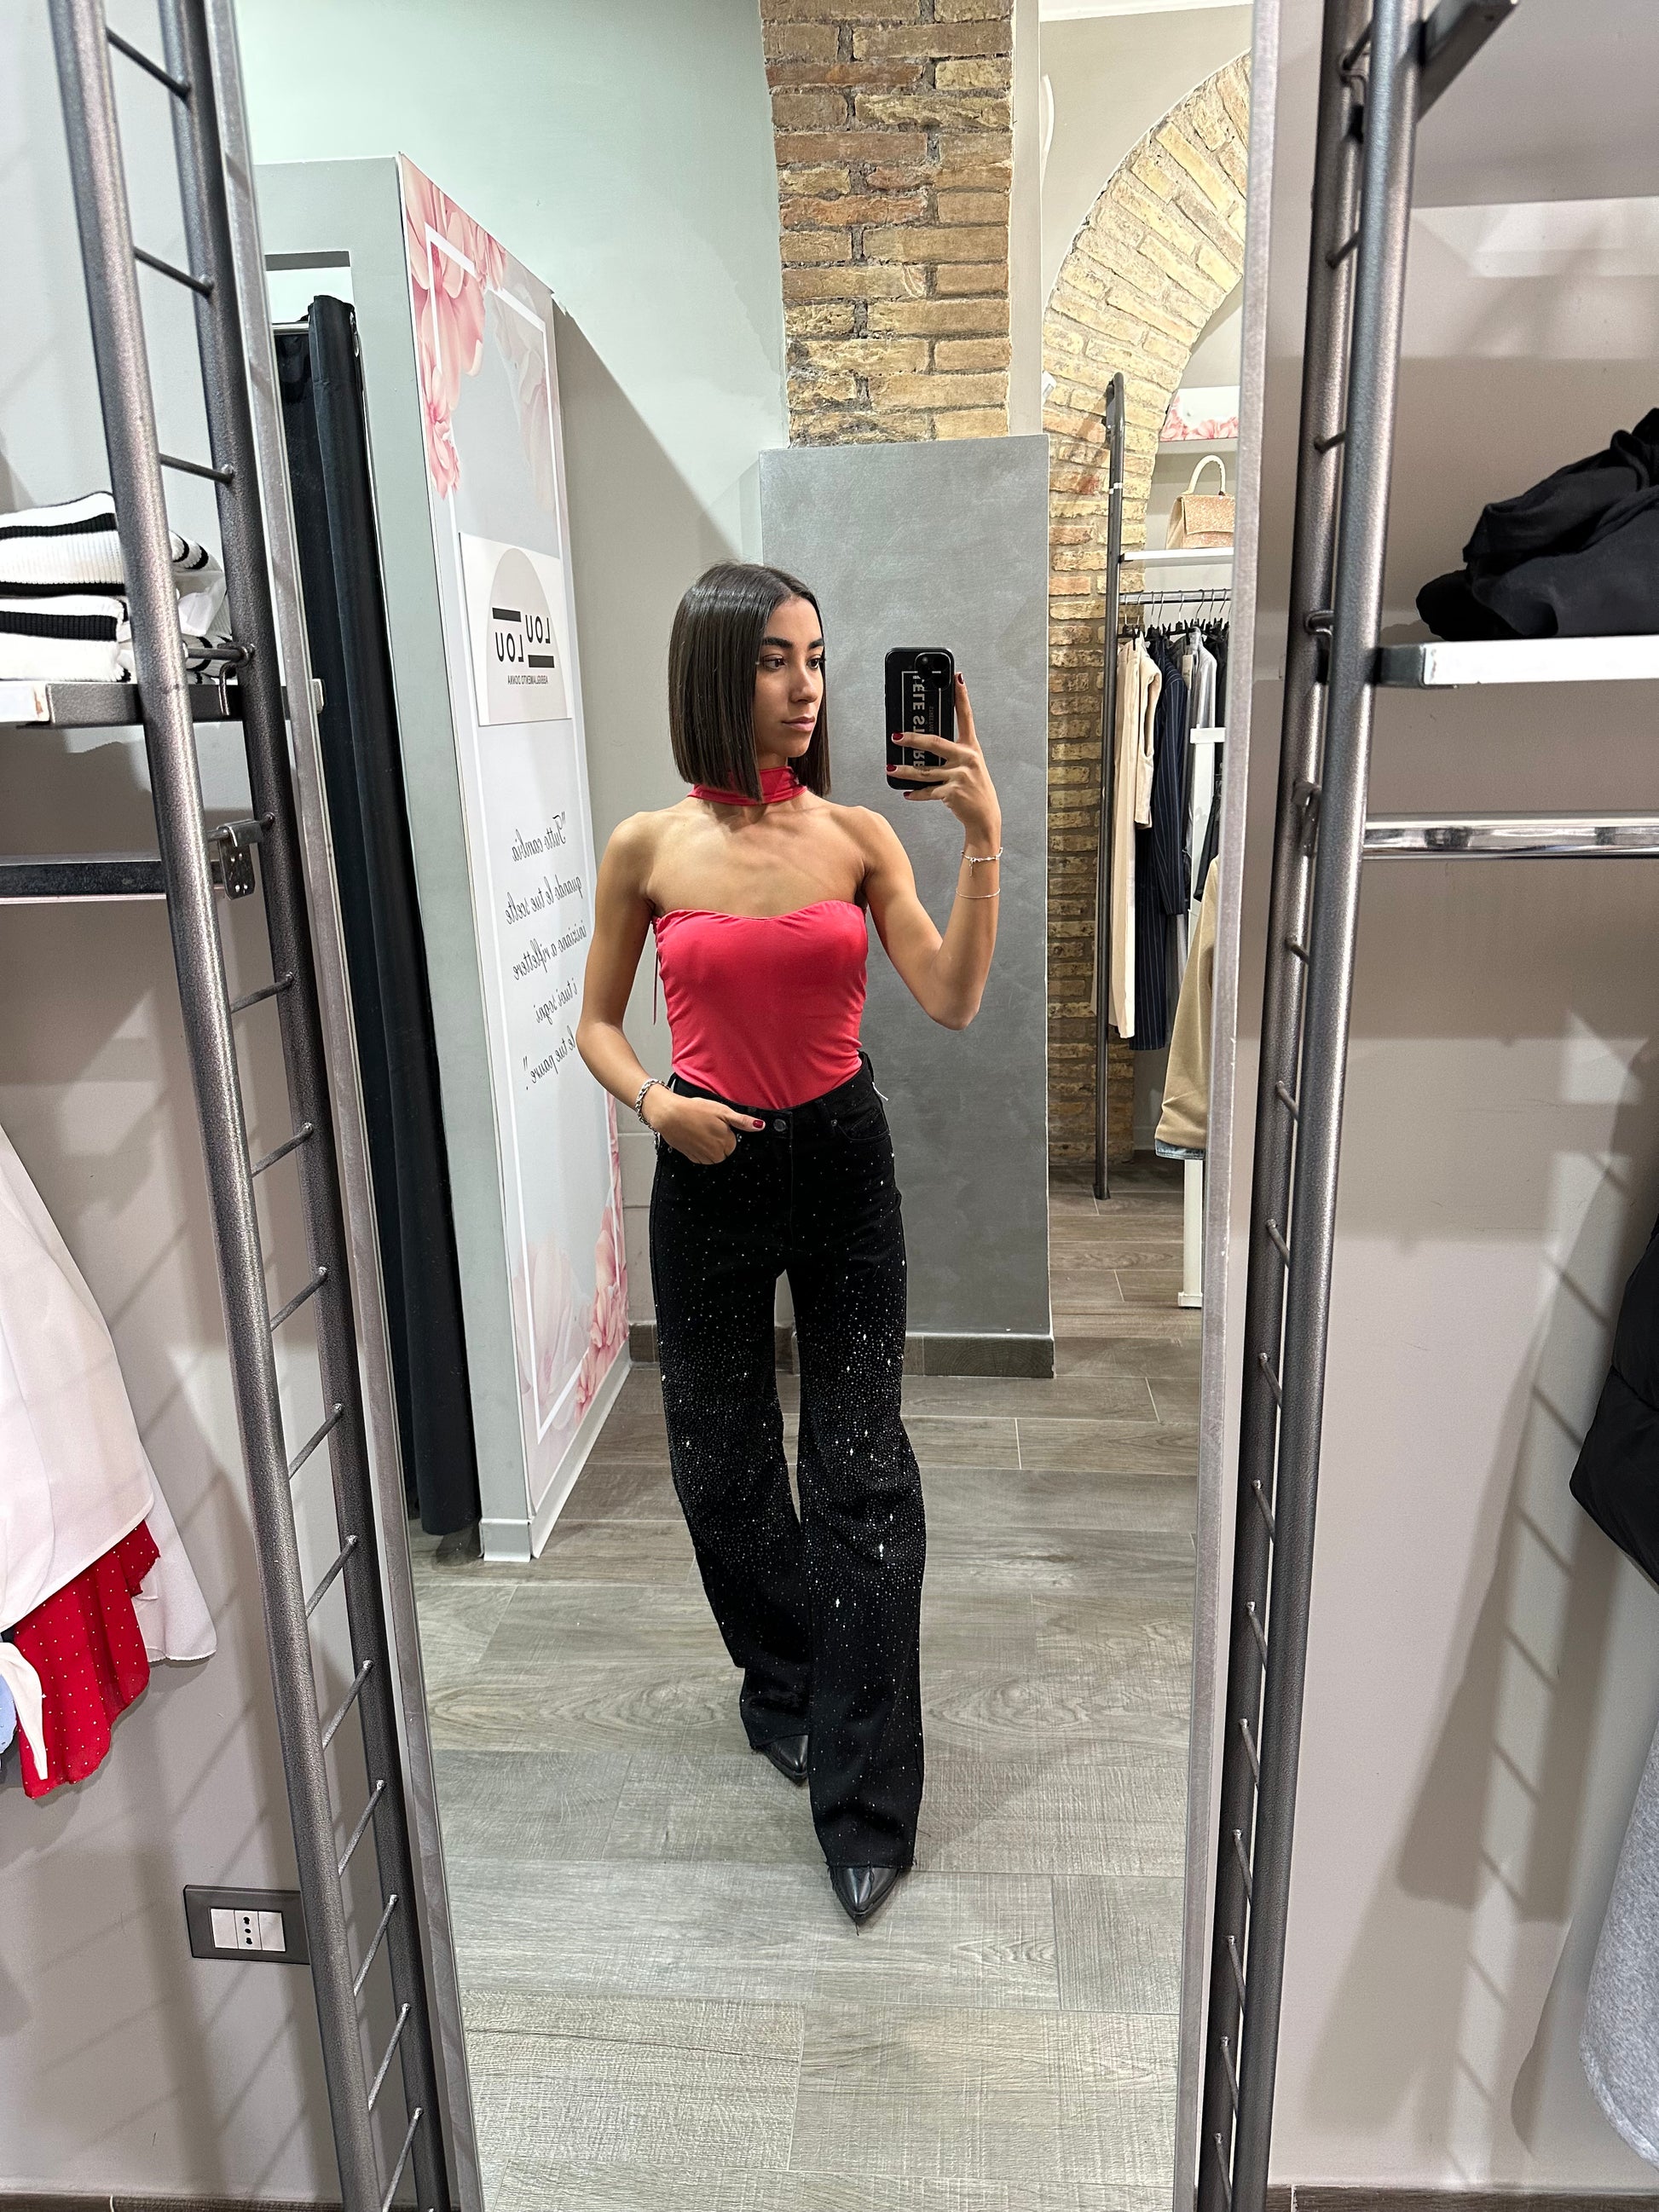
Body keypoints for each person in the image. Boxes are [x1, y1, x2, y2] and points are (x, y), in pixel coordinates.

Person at [576, 562, 1002, 1925]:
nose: (805, 685)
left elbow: (949, 996)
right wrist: (655, 1104)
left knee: (860, 1468)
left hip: (840, 1164)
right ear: (716, 671)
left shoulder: (859, 837)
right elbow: (594, 1023)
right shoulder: (646, 848)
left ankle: (868, 1804)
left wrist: (982, 842)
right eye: (773, 659)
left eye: (814, 656)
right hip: (705, 1167)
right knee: (719, 1462)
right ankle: (787, 1682)